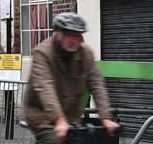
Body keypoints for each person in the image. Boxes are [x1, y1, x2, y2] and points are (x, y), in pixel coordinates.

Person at [22, 12, 119, 144]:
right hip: (41, 115)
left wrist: (105, 117)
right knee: (54, 140)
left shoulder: (86, 54)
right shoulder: (43, 53)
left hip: (71, 115)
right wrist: (59, 119)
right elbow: (45, 86)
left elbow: (97, 85)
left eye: (77, 35)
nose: (73, 39)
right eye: (68, 34)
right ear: (58, 33)